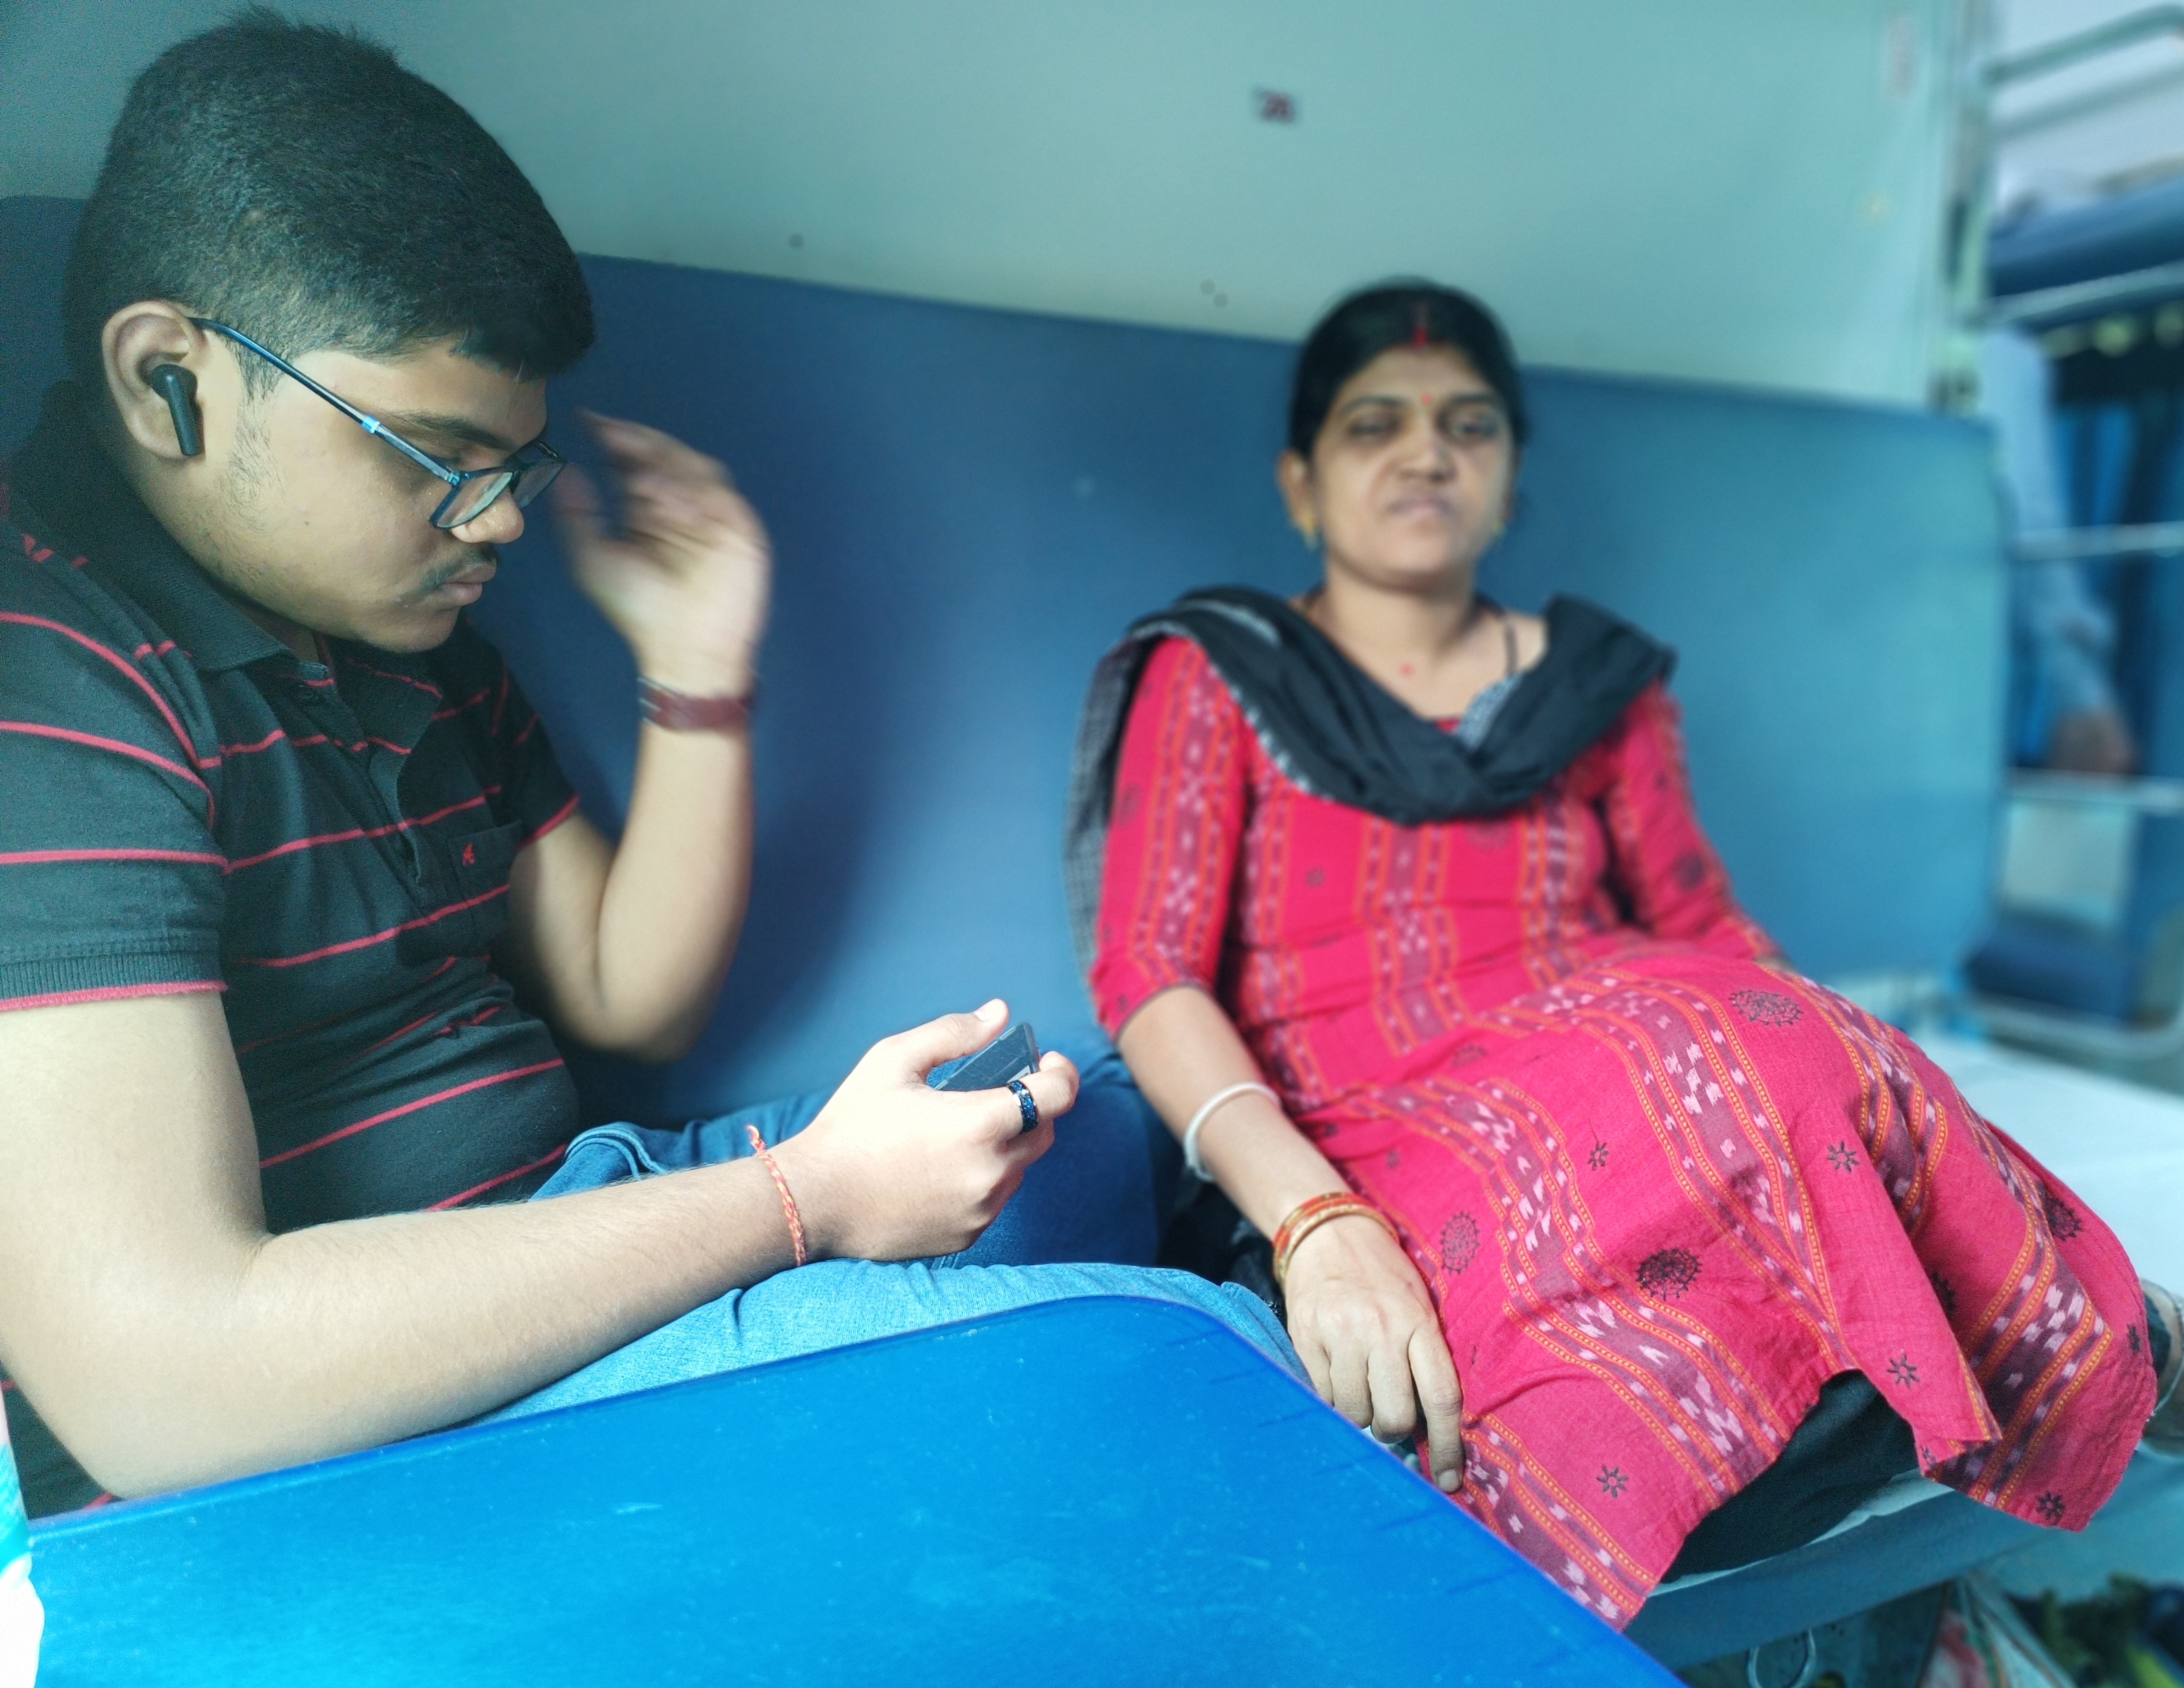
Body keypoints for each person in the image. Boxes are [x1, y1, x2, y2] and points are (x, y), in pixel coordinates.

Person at [0, 17, 1294, 1521]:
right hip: (379, 1401)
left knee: (1096, 1124)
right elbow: (164, 1382)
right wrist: (807, 1201)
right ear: (169, 380)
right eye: (434, 456)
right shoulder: (52, 678)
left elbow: (627, 996)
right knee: (1179, 1359)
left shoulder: (393, 630)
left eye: (512, 468)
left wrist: (696, 667)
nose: (496, 520)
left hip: (586, 1218)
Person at [1069, 280, 2184, 1626]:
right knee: (1591, 1307)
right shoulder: (1216, 671)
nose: (1425, 453)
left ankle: (2153, 1353)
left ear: (1508, 477)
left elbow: (1704, 931)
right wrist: (1314, 1221)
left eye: (1467, 424)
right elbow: (1149, 972)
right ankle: (2149, 1349)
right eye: (1375, 424)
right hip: (1365, 1112)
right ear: (1301, 483)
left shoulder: (1593, 684)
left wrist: (1836, 1075)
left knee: (1771, 1053)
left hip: (1624, 1036)